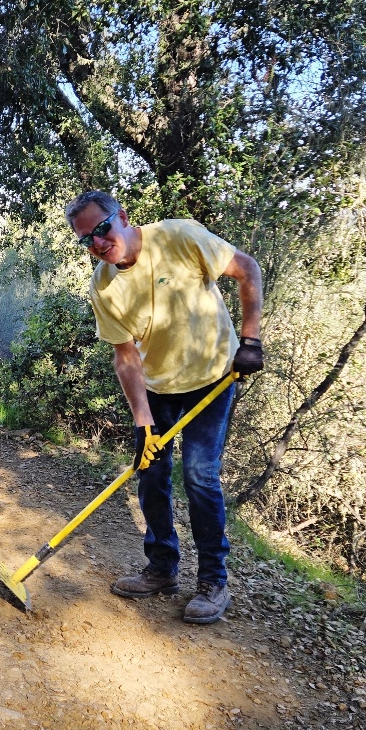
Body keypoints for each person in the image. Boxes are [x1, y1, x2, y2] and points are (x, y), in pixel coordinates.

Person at [65, 190, 264, 624]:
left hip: (213, 378)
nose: (98, 243)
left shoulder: (179, 237)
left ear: (123, 217)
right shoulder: (104, 286)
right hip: (158, 387)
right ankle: (161, 568)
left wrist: (251, 340)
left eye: (102, 229)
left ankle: (214, 581)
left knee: (199, 474)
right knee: (150, 471)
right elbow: (126, 357)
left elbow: (247, 269)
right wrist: (143, 423)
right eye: (87, 240)